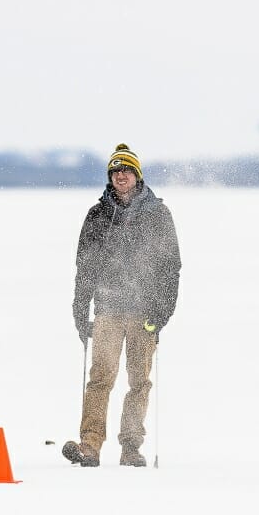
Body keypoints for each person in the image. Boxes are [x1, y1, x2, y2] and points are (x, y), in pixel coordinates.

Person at [63, 143, 181, 468]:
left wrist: (162, 314)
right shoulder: (98, 214)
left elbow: (172, 267)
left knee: (138, 382)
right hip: (108, 309)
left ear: (137, 175)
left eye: (126, 170)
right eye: (115, 171)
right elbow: (84, 267)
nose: (120, 176)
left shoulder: (158, 213)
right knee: (100, 377)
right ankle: (89, 445)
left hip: (145, 312)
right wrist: (79, 311)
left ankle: (131, 447)